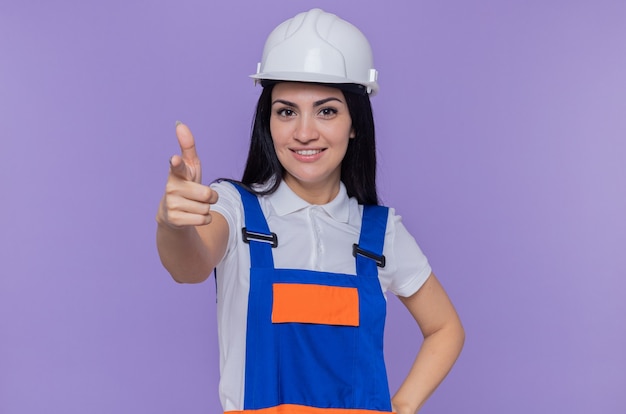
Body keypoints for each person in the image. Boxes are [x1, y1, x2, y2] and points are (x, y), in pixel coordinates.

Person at [156, 8, 464, 414]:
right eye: (286, 111)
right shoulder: (233, 208)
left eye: (327, 110)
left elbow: (445, 329)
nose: (304, 132)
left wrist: (403, 406)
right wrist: (172, 223)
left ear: (355, 122)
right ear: (268, 121)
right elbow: (189, 267)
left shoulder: (379, 232)